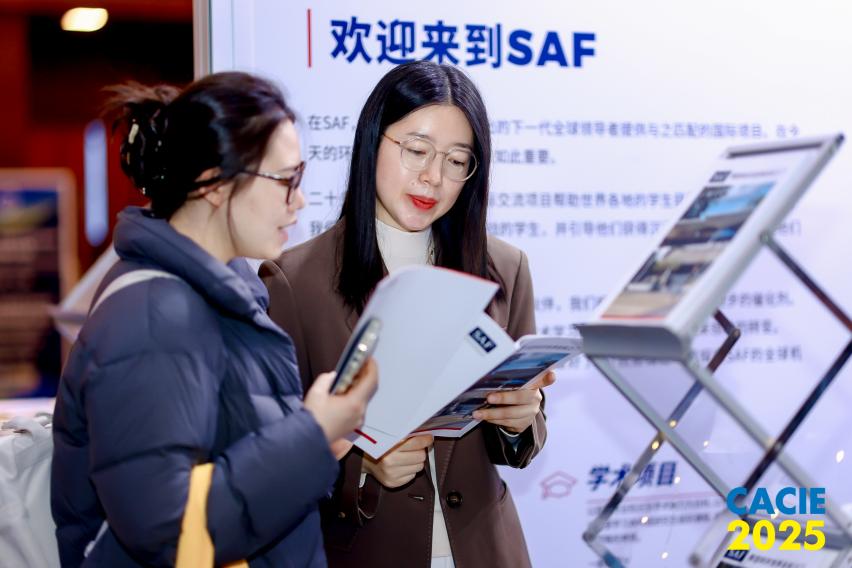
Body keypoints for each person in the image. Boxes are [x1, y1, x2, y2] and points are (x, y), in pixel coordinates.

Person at [51, 71, 377, 567]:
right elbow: (168, 530)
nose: (301, 199)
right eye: (287, 180)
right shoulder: (154, 316)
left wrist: (317, 441)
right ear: (213, 183)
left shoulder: (214, 296)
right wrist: (309, 434)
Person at [261, 61, 556, 568]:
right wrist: (361, 468)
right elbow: (271, 465)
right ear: (374, 138)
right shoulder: (293, 282)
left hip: (486, 550)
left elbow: (518, 445)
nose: (433, 177)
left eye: (457, 160)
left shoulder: (505, 268)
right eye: (417, 150)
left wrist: (520, 421)